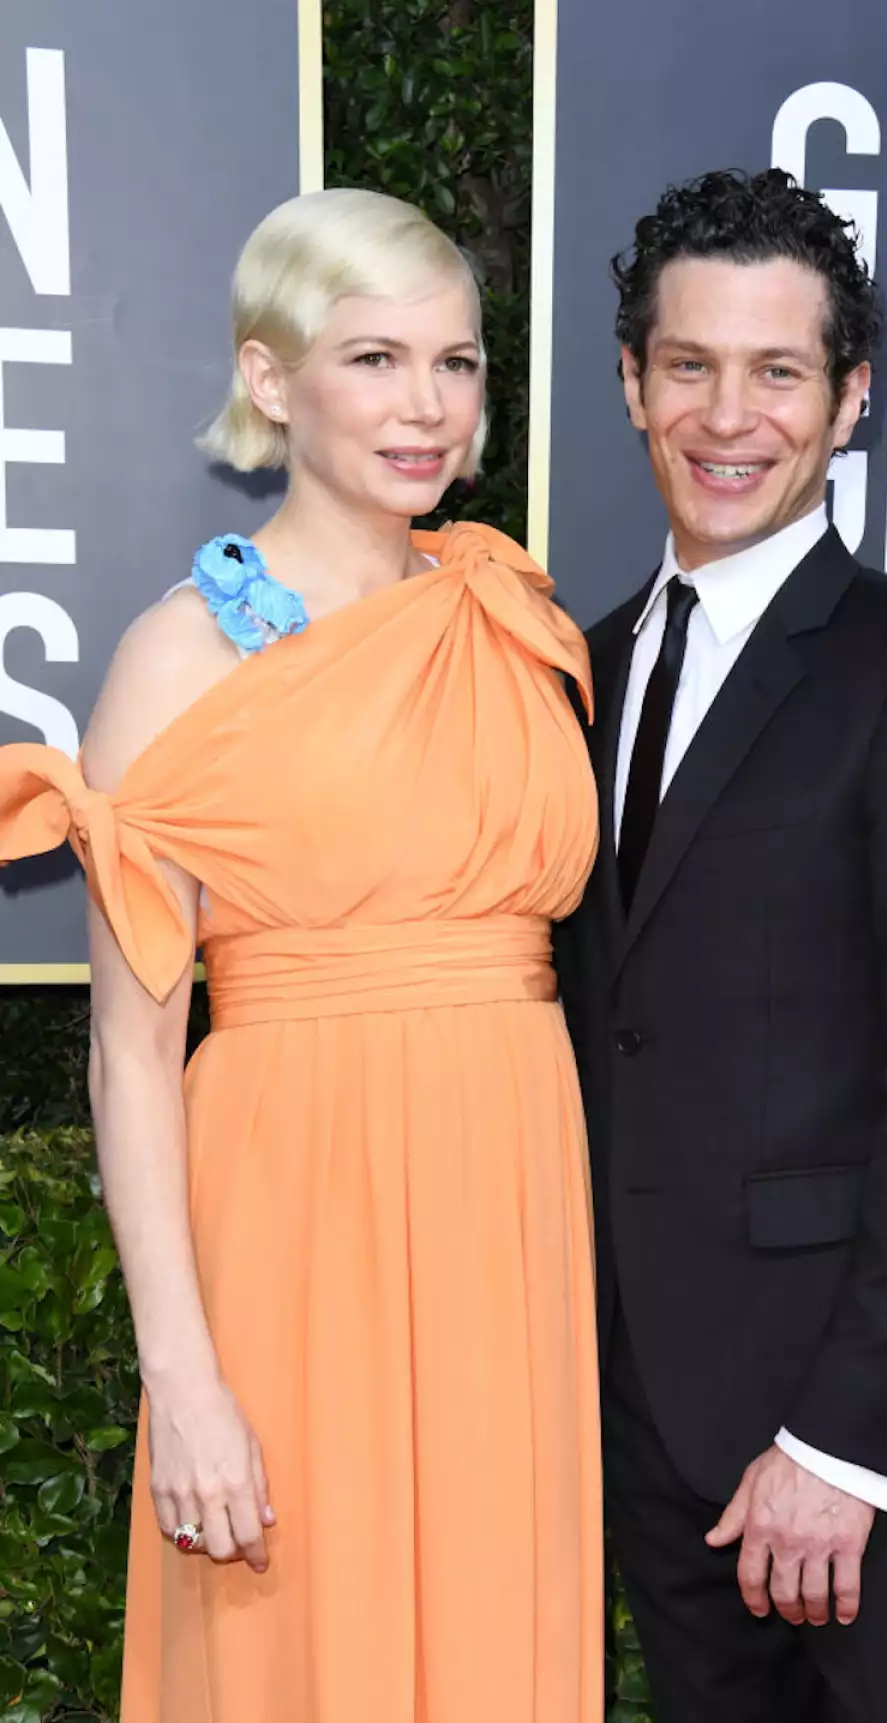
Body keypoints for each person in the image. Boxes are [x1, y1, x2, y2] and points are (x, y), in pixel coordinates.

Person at [0, 188, 603, 1723]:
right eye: (376, 358)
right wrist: (183, 1380)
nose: (428, 406)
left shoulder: (511, 609)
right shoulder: (177, 658)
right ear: (272, 381)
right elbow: (133, 1052)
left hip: (506, 1220)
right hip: (294, 1224)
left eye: (458, 363)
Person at [554, 168, 887, 1723]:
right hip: (652, 1424)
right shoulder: (573, 673)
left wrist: (842, 1451)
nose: (729, 415)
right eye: (690, 364)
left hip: (865, 1457)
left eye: (778, 371)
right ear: (632, 381)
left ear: (850, 402)